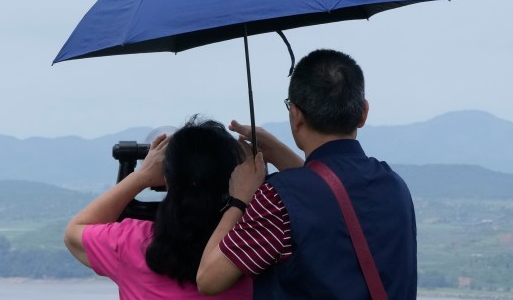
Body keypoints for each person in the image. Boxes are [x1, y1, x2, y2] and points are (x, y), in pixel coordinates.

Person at [197, 49, 417, 299]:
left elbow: (208, 278)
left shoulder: (276, 199)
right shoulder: (394, 186)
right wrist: (278, 152)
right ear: (363, 113)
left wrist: (239, 200)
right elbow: (326, 194)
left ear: (295, 115)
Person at [64, 117, 253, 300]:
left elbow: (73, 234)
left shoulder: (131, 242)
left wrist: (142, 176)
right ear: (234, 178)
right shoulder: (255, 245)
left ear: (167, 178)